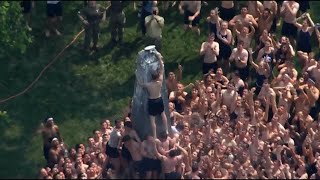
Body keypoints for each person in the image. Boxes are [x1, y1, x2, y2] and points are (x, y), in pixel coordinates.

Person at [136, 52, 169, 138]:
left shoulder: (149, 85)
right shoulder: (160, 81)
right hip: (159, 99)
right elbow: (162, 68)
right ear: (157, 76)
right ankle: (166, 130)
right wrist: (158, 57)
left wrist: (137, 74)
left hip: (152, 101)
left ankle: (154, 135)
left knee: (152, 119)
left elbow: (140, 83)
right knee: (163, 115)